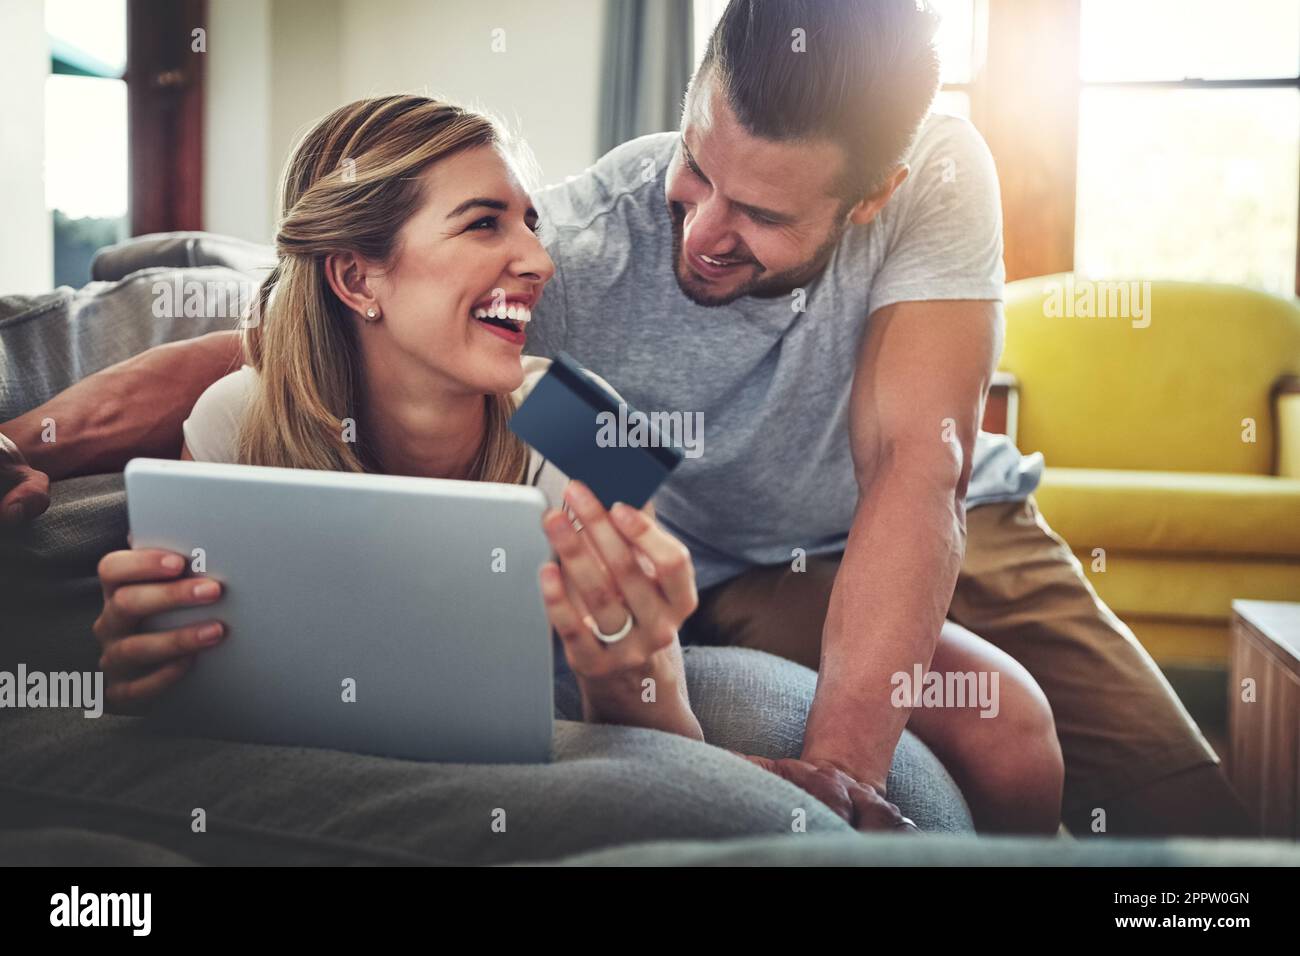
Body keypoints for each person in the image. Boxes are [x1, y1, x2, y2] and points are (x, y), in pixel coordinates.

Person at [8, 0, 1240, 836]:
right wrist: (33, 441)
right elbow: (279, 330)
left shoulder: (942, 175)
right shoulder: (567, 248)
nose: (700, 231)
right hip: (727, 561)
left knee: (1189, 805)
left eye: (760, 217)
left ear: (876, 193)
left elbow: (913, 475)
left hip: (940, 516)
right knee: (1006, 732)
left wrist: (835, 790)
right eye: (696, 170)